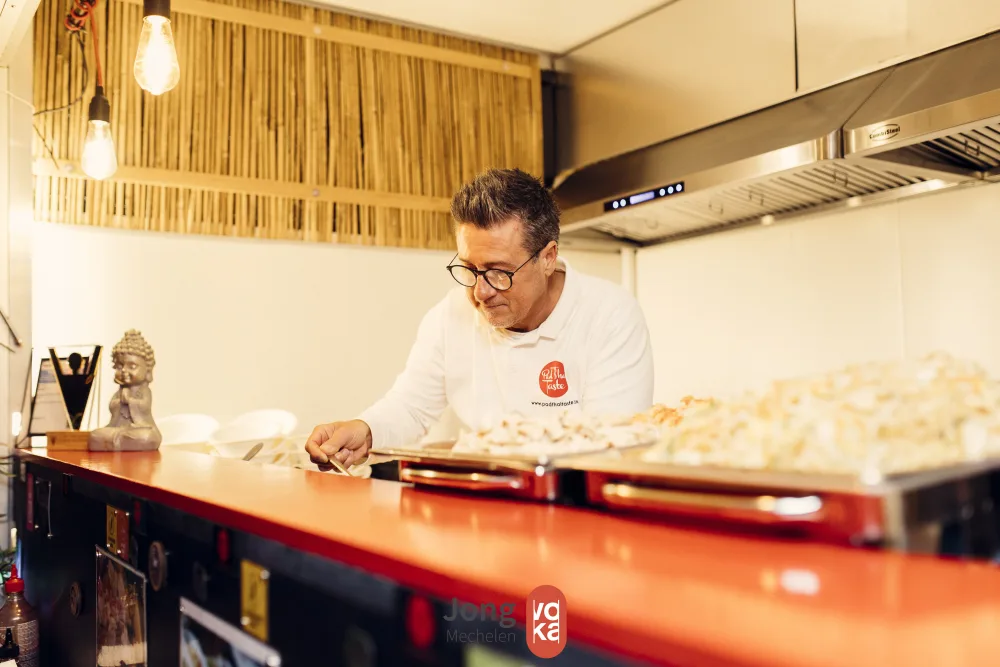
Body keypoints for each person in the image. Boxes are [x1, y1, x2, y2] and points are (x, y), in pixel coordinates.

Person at [305, 168, 654, 468]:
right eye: (470, 269)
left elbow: (612, 445)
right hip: (481, 500)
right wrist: (366, 430)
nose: (480, 291)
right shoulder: (450, 316)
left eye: (499, 272)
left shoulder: (608, 315)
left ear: (548, 258)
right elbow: (411, 407)